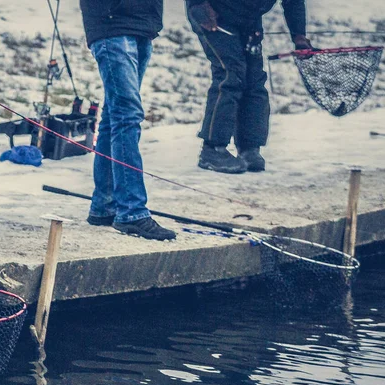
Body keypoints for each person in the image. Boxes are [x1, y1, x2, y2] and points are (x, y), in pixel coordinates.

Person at [80, 1, 176, 241]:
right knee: (127, 115)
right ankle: (131, 212)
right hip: (112, 23)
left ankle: (104, 206)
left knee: (115, 116)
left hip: (143, 24)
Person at [186, 0, 314, 173]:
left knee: (254, 80)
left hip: (249, 19)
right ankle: (212, 149)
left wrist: (299, 36)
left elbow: (293, 1)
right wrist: (198, 5)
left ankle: (249, 148)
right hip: (213, 14)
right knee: (230, 75)